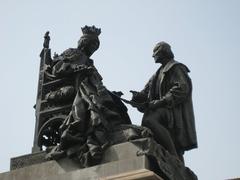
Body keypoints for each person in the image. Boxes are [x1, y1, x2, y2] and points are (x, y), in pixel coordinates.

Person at [48, 26, 131, 166]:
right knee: (92, 98)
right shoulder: (72, 52)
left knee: (115, 102)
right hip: (68, 87)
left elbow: (97, 80)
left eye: (95, 46)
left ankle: (117, 129)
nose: (93, 48)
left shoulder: (89, 61)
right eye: (92, 44)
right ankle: (94, 131)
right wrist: (76, 69)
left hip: (88, 86)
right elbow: (57, 68)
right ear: (84, 42)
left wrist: (109, 92)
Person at [130, 41, 197, 161]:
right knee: (148, 120)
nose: (153, 56)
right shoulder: (156, 74)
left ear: (163, 52)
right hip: (161, 109)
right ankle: (173, 157)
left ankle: (172, 154)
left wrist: (162, 101)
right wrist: (137, 97)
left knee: (149, 120)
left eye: (155, 52)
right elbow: (145, 92)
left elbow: (182, 88)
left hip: (172, 110)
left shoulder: (176, 68)